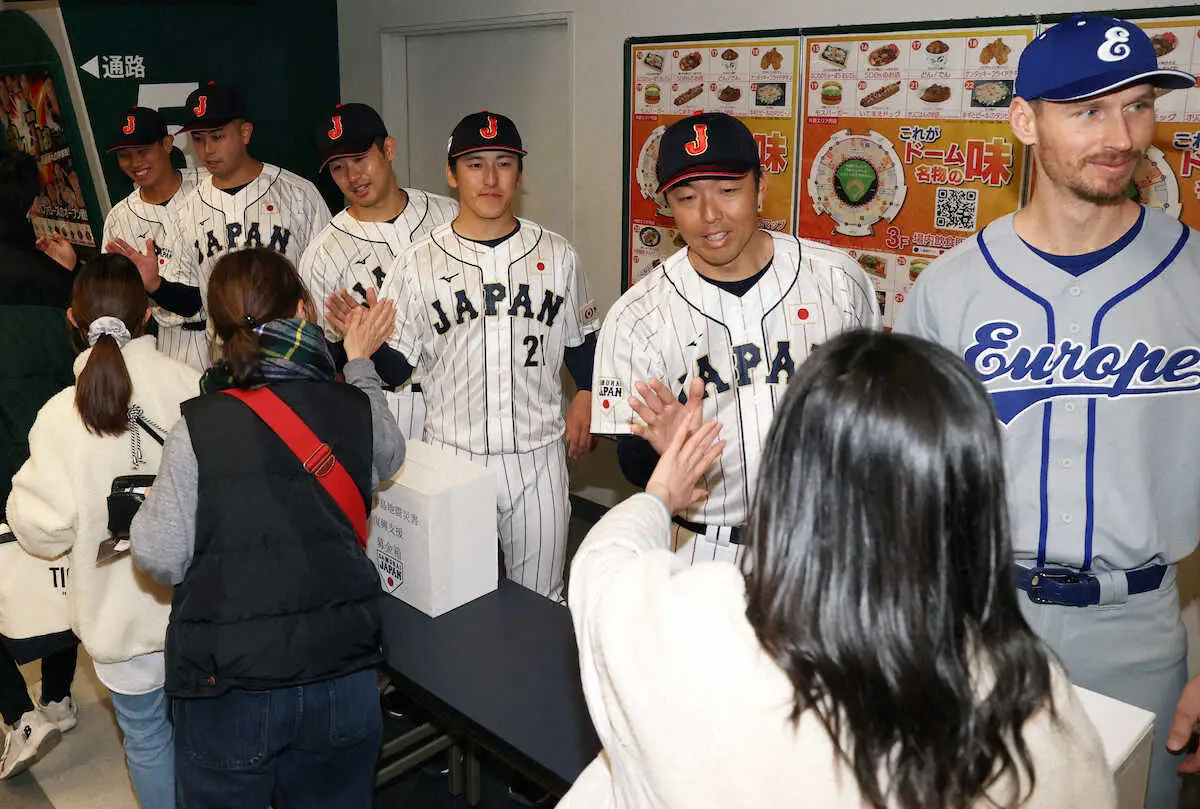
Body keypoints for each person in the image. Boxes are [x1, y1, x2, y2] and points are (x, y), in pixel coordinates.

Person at [563, 329, 1115, 809]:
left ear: (789, 477)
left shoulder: (693, 627)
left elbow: (602, 564)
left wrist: (663, 490)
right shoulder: (1027, 695)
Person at [894, 15, 1198, 809]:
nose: (1121, 134)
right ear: (1024, 120)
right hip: (983, 619)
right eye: (1088, 110)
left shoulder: (1194, 276)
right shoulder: (948, 289)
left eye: (1137, 105)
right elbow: (912, 492)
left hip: (1138, 625)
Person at [131, 248, 402, 807]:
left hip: (230, 687)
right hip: (341, 672)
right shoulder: (351, 406)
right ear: (304, 311)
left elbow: (160, 555)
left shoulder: (197, 426)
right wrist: (357, 362)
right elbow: (389, 455)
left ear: (218, 333)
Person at [591, 112, 878, 567]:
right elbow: (630, 463)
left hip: (825, 541)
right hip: (701, 547)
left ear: (760, 188)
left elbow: (873, 414)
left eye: (727, 191)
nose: (709, 215)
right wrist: (661, 450)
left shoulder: (838, 281)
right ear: (667, 205)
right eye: (687, 197)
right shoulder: (636, 316)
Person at [334, 111, 598, 601]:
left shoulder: (559, 254)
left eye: (504, 163)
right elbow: (397, 368)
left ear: (520, 173)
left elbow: (585, 346)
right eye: (475, 164)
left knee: (542, 599)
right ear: (452, 175)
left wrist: (587, 391)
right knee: (451, 601)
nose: (491, 177)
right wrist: (361, 343)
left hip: (537, 459)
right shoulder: (418, 261)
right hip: (453, 455)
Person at [7, 254, 200, 806]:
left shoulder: (58, 415)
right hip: (200, 608)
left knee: (145, 738)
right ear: (146, 318)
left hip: (119, 620)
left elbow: (41, 529)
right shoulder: (189, 385)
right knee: (207, 735)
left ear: (72, 319)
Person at [110, 81, 331, 365]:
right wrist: (156, 285)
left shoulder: (298, 194)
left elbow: (324, 285)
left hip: (294, 353)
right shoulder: (187, 210)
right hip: (225, 360)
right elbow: (192, 301)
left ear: (244, 132)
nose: (207, 149)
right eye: (199, 139)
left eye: (217, 136)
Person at [299, 101, 457, 436]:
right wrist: (354, 338)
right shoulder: (323, 253)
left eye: (360, 159)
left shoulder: (447, 216)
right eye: (338, 167)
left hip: (456, 393)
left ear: (388, 149)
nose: (352, 176)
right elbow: (323, 360)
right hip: (382, 407)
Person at [0, 148, 79, 781]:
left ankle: (18, 713)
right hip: (51, 464)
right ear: (28, 205)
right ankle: (58, 696)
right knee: (62, 579)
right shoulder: (56, 283)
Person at [101, 106, 209, 369]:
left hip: (228, 332)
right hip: (170, 341)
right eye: (125, 155)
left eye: (143, 150)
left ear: (167, 144)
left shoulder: (209, 186)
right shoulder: (119, 219)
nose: (135, 163)